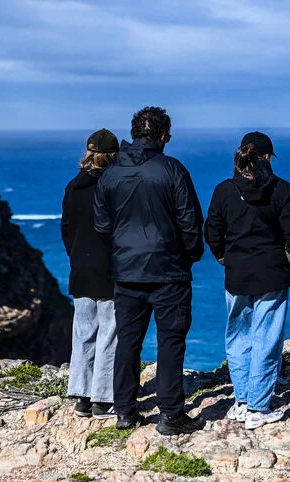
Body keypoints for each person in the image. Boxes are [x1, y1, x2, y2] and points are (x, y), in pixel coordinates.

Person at [93, 106, 206, 435]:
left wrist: (122, 249)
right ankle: (171, 415)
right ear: (162, 136)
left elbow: (101, 225)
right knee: (170, 340)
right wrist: (191, 255)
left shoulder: (110, 174)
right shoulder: (172, 170)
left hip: (126, 271)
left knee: (128, 341)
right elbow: (190, 223)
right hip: (169, 270)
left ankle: (125, 411)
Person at [204, 131, 290, 430]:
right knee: (266, 338)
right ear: (266, 157)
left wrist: (224, 257)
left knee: (238, 337)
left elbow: (212, 231)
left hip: (236, 272)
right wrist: (289, 259)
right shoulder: (281, 189)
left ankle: (243, 400)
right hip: (272, 273)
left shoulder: (223, 191)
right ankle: (259, 407)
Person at [61, 129, 119, 419]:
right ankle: (103, 399)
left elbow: (66, 229)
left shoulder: (73, 186)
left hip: (80, 268)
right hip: (109, 269)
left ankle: (82, 395)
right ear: (113, 155)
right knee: (109, 333)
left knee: (83, 333)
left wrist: (76, 255)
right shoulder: (113, 187)